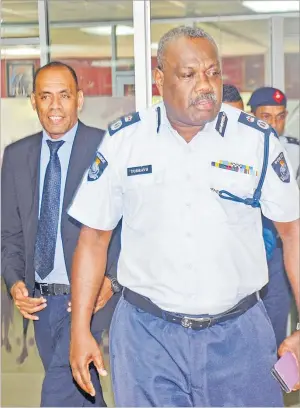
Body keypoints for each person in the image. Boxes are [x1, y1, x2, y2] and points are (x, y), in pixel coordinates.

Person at [68, 27, 299, 407]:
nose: (205, 85)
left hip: (239, 336)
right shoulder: (126, 141)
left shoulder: (255, 141)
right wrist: (81, 330)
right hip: (147, 338)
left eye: (212, 72)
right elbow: (93, 238)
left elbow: (294, 234)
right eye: (189, 74)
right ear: (159, 79)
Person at [1, 61, 122, 407]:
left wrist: (111, 280)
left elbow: (127, 226)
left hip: (87, 299)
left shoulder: (106, 148)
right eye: (46, 97)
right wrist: (14, 283)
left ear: (79, 100)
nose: (55, 106)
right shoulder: (16, 156)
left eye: (64, 96)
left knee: (58, 394)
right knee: (82, 391)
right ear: (33, 102)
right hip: (41, 304)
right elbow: (8, 233)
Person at [248, 87, 299, 347]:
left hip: (280, 248)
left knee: (277, 320)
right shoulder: (240, 151)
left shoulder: (295, 151)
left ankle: (276, 383)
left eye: (279, 117)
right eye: (265, 116)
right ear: (251, 115)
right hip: (246, 247)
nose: (273, 124)